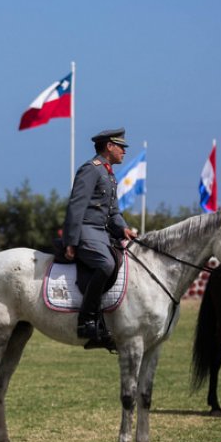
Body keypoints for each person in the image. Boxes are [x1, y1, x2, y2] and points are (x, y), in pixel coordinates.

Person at [63, 128, 138, 350]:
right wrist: (71, 241)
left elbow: (113, 212)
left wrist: (124, 229)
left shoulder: (108, 174)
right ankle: (87, 322)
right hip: (86, 231)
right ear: (109, 146)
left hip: (102, 234)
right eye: (121, 146)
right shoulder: (92, 170)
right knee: (106, 265)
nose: (124, 151)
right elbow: (76, 206)